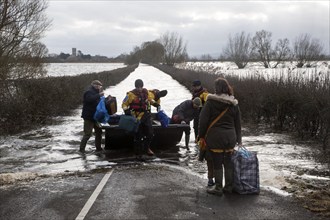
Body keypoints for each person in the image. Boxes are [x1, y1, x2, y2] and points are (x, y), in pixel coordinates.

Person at [198, 77, 242, 196]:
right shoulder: (234, 104)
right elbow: (238, 124)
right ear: (227, 88)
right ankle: (228, 187)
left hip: (215, 137)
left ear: (216, 89)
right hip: (230, 138)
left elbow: (203, 121)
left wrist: (200, 136)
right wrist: (239, 140)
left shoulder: (211, 102)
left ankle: (218, 187)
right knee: (228, 162)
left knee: (217, 162)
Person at [122, 79, 154, 159]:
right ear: (135, 87)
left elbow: (151, 100)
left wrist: (156, 104)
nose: (139, 89)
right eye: (137, 87)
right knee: (138, 135)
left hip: (145, 115)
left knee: (150, 133)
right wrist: (126, 110)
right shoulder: (130, 94)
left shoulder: (146, 93)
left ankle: (147, 148)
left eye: (140, 87)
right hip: (136, 116)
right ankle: (138, 152)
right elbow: (124, 104)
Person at [191, 80, 213, 186]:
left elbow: (209, 104)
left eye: (195, 86)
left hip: (202, 115)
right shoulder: (195, 94)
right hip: (197, 114)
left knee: (200, 129)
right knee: (195, 128)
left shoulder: (204, 94)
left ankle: (200, 143)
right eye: (193, 86)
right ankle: (197, 141)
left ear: (199, 86)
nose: (194, 88)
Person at [79, 80, 105, 153]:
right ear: (93, 85)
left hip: (96, 117)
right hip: (88, 117)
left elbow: (100, 104)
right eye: (97, 85)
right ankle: (81, 150)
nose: (98, 86)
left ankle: (98, 148)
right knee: (87, 134)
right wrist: (99, 95)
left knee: (99, 132)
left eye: (100, 85)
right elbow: (89, 99)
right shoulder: (89, 92)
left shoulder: (97, 93)